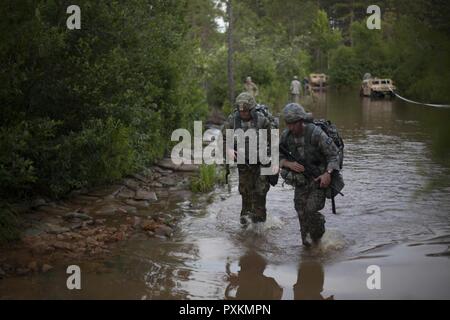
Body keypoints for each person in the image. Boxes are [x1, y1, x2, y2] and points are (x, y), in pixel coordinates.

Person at [279, 103, 340, 247]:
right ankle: (307, 246)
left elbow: (334, 155)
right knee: (300, 211)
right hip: (300, 180)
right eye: (288, 124)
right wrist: (288, 164)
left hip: (319, 179)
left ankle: (318, 236)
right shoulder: (286, 136)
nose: (291, 127)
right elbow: (277, 155)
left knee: (311, 210)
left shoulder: (316, 134)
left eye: (293, 124)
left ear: (301, 121)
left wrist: (328, 173)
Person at [222, 92, 274, 225]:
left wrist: (276, 162)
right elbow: (223, 138)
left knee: (260, 193)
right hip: (243, 163)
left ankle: (260, 228)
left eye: (245, 111)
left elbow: (273, 141)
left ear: (251, 109)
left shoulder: (262, 120)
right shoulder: (232, 120)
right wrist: (228, 149)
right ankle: (245, 230)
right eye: (241, 111)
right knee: (245, 194)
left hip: (261, 162)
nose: (243, 113)